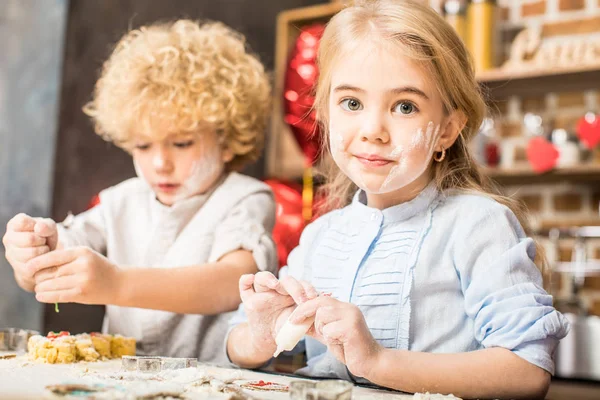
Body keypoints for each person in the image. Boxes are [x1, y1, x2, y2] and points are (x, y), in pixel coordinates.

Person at [225, 1, 570, 398]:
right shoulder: (321, 235)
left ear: (446, 131)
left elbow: (527, 372)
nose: (373, 130)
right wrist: (261, 335)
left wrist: (378, 361)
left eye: (405, 106)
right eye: (352, 103)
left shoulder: (478, 224)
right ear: (324, 113)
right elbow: (238, 346)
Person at [3, 19, 276, 365]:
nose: (160, 163)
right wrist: (34, 253)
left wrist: (115, 283)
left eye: (181, 142)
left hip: (212, 385)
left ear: (226, 140)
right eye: (143, 145)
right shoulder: (121, 200)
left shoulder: (246, 198)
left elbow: (233, 280)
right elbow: (63, 249)